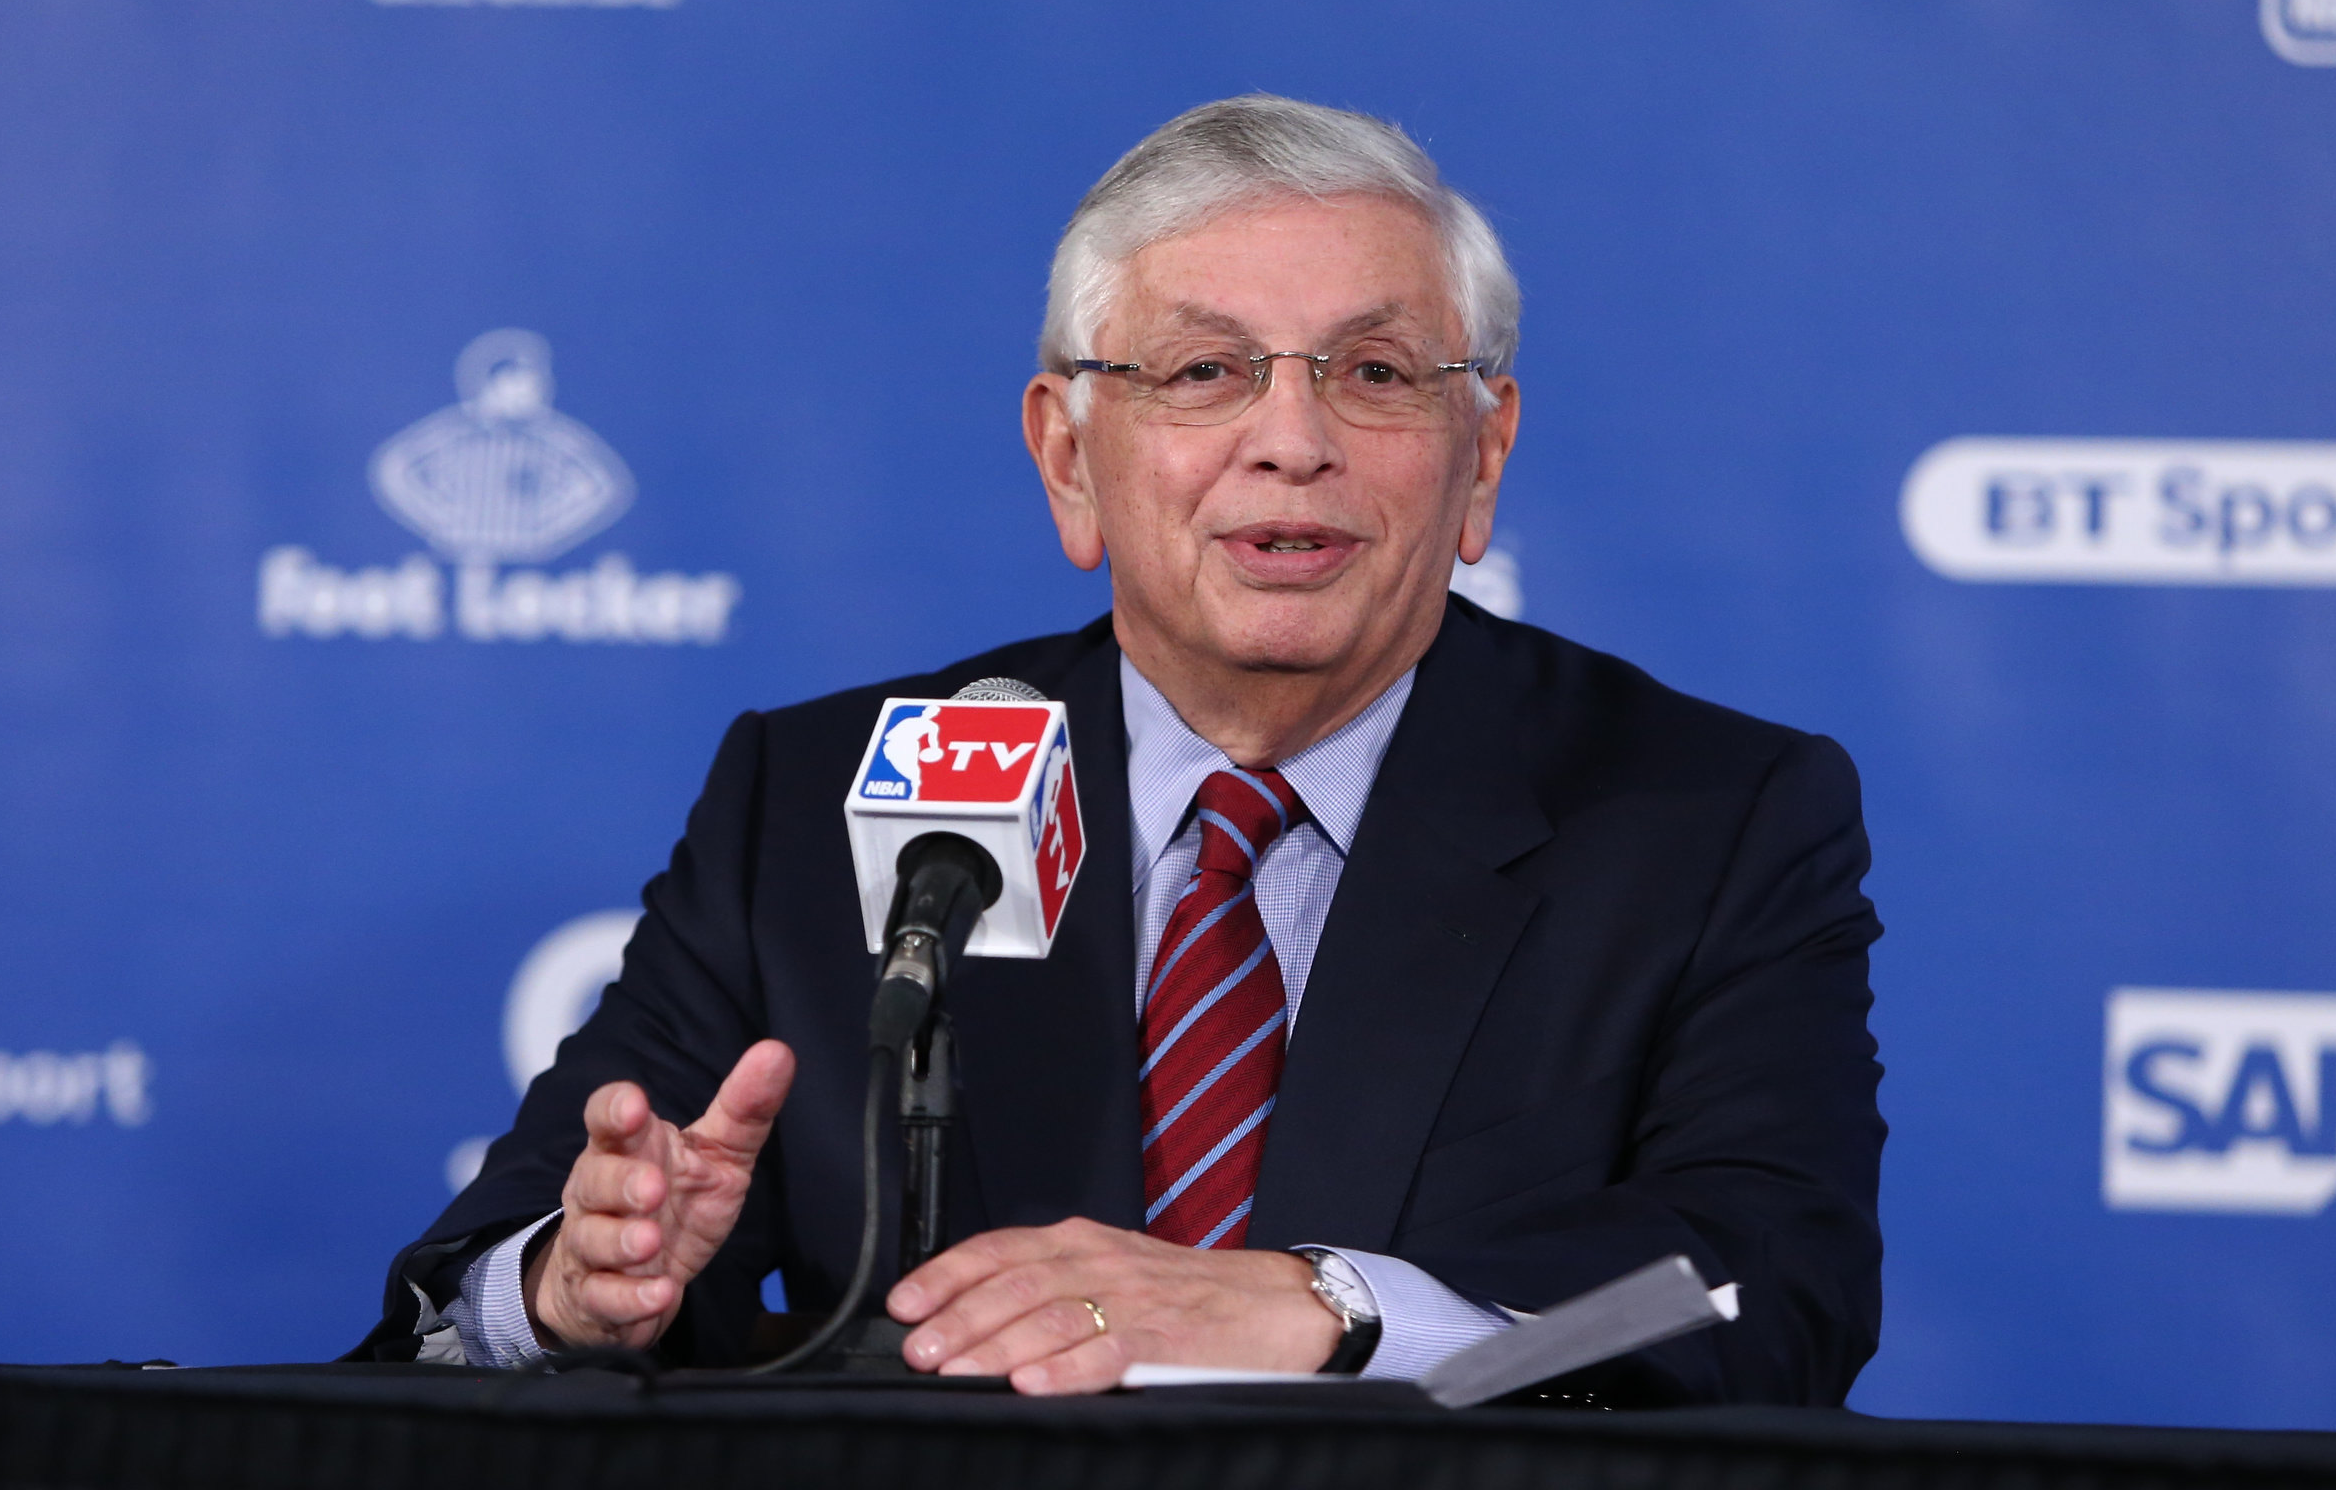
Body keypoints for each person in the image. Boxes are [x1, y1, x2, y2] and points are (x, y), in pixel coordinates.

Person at [355, 95, 1885, 1402]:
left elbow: (1762, 1292)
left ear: (1481, 460)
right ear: (1067, 457)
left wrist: (1332, 1311)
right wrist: (577, 1283)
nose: (1294, 441)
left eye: (1374, 373)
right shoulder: (819, 800)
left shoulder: (1707, 815)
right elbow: (468, 1289)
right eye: (1205, 372)